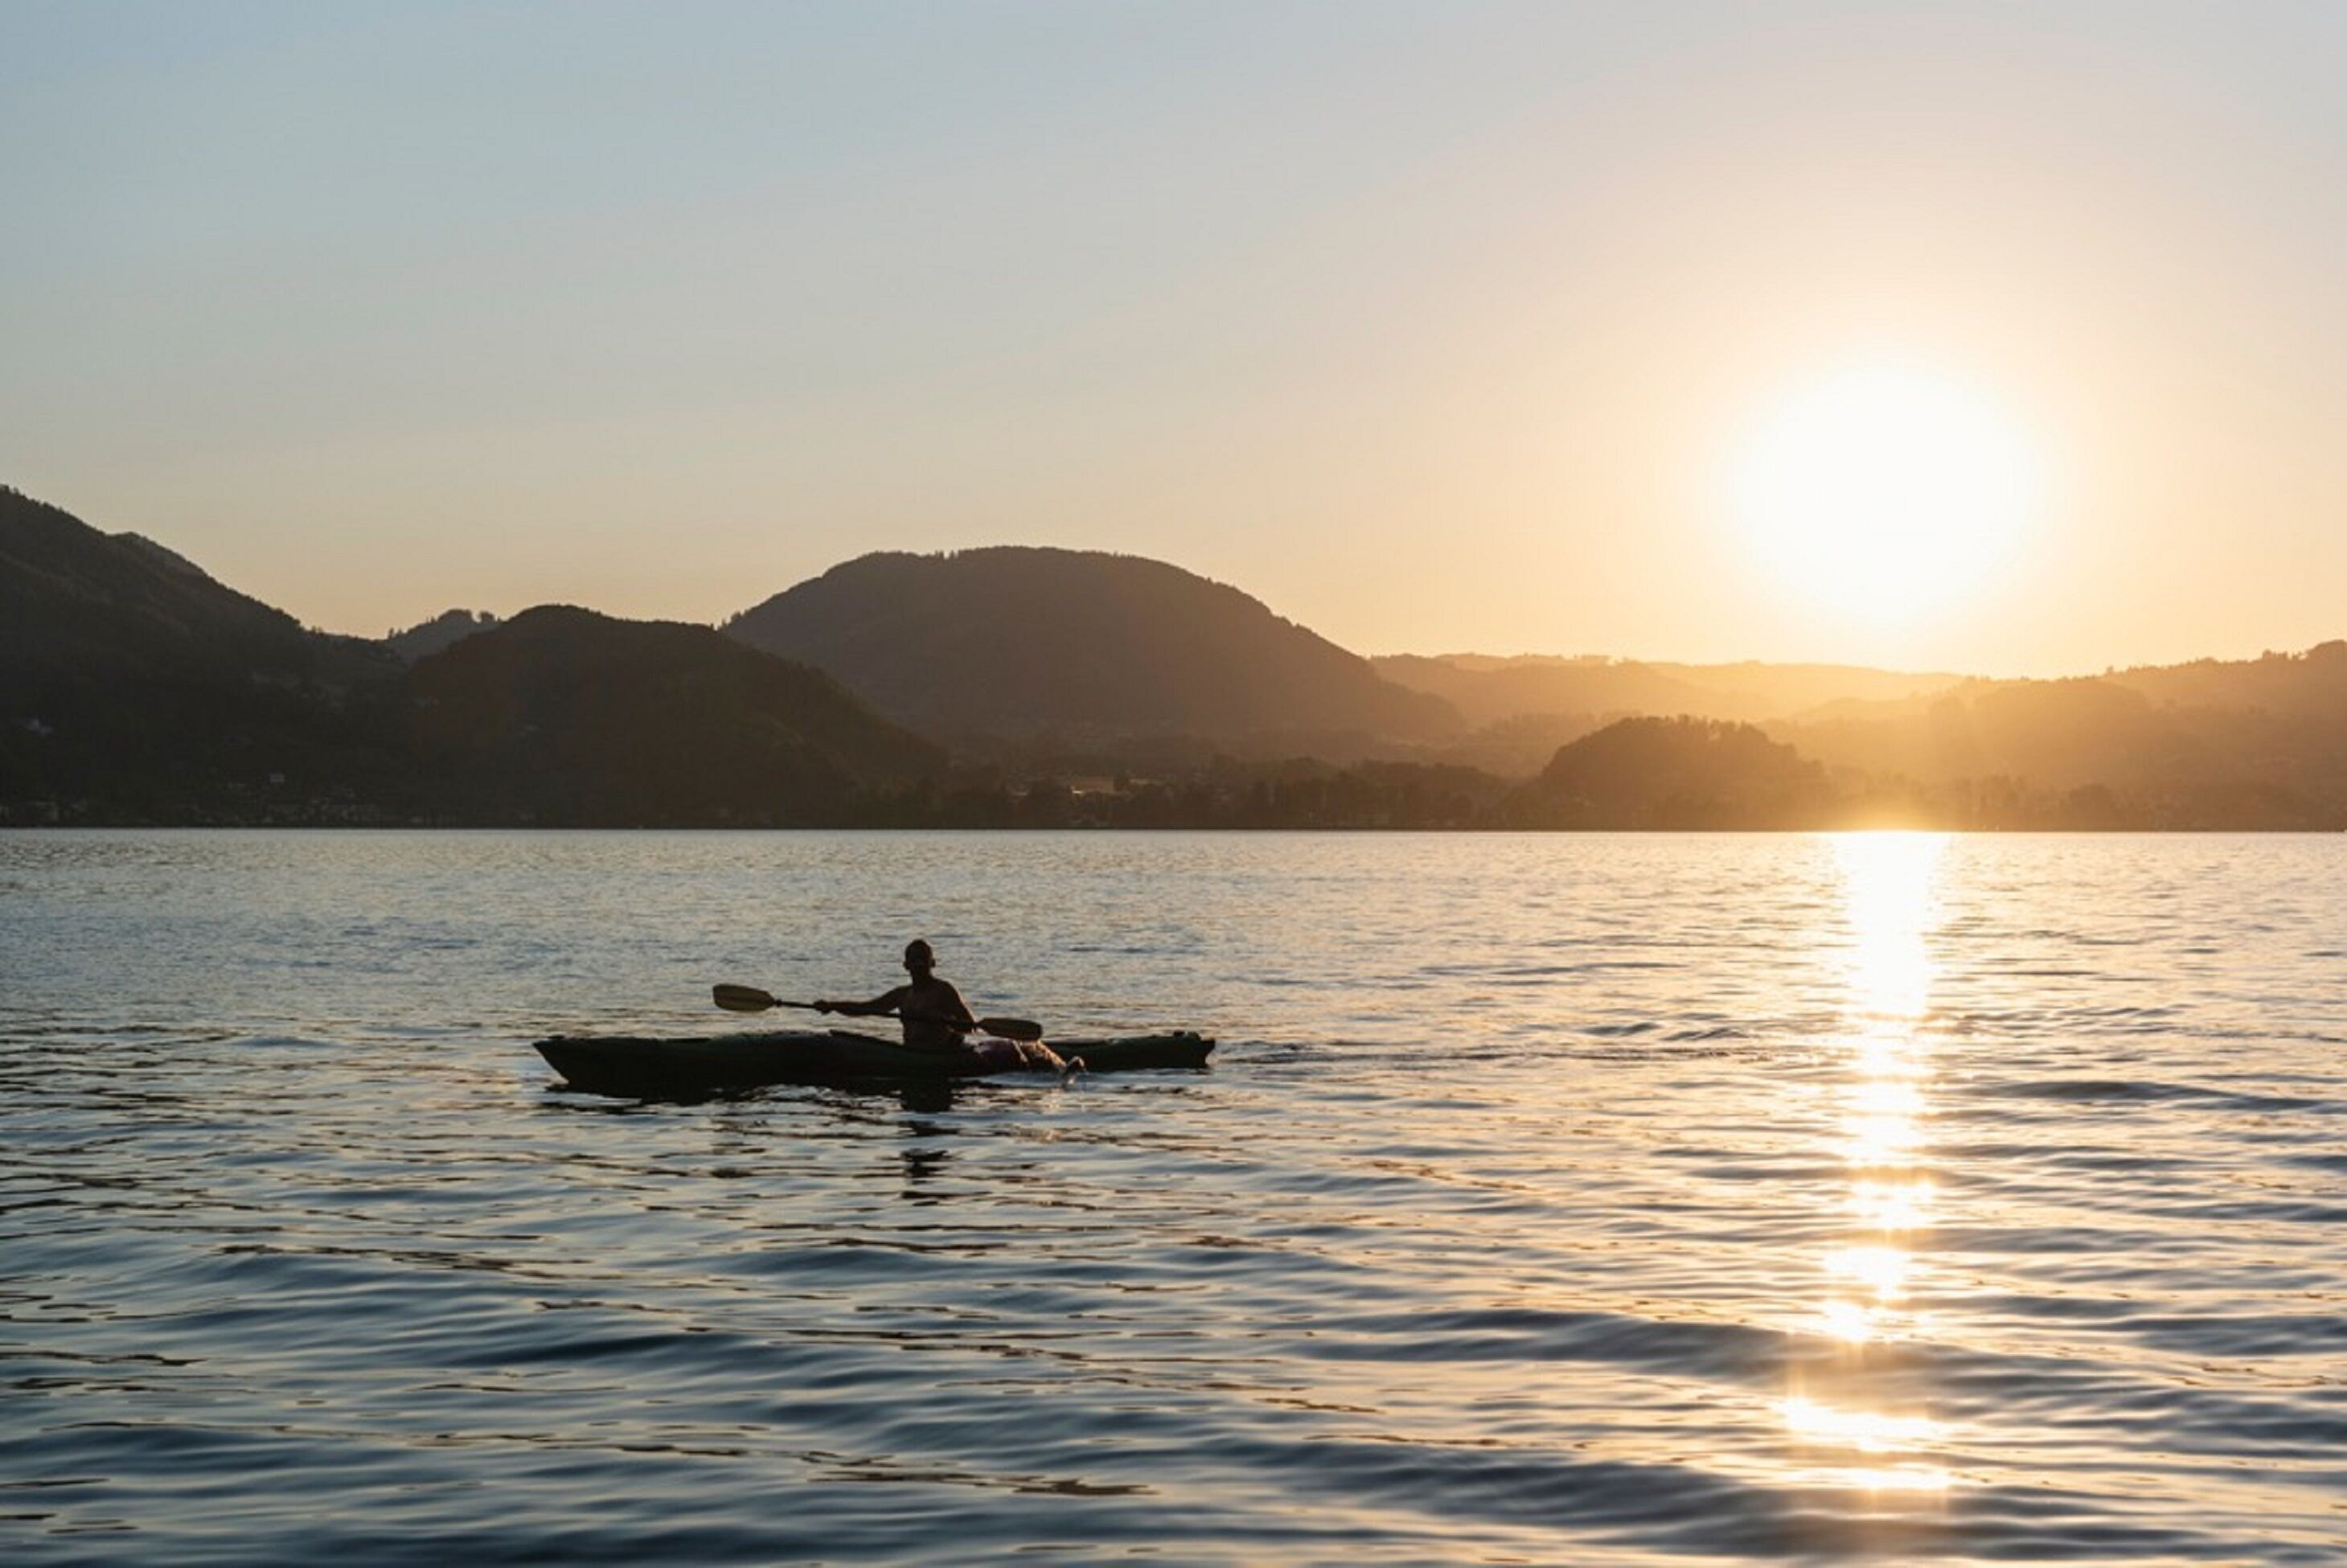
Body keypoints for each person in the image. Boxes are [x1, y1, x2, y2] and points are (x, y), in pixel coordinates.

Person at [815, 939, 979, 1052]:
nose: (919, 964)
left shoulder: (944, 991)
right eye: (915, 960)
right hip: (910, 1051)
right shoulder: (901, 994)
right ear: (906, 965)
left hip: (938, 1054)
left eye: (923, 959)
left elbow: (970, 1027)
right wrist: (832, 1006)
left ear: (933, 963)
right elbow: (867, 1008)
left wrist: (943, 1019)